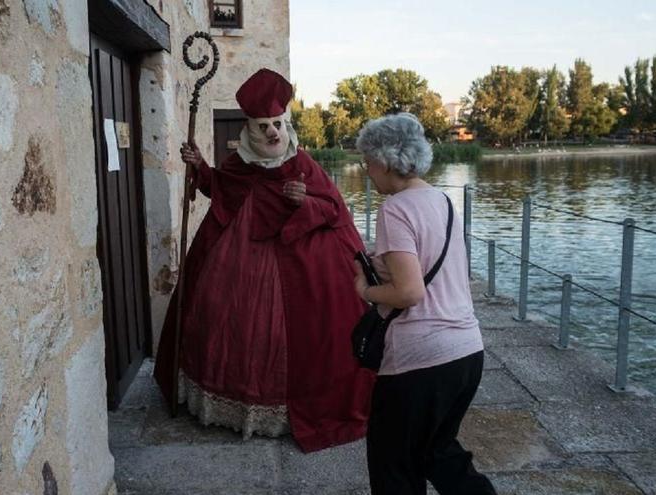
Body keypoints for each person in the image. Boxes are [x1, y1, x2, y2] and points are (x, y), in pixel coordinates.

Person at [153, 68, 374, 452]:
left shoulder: (302, 164)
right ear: (250, 130)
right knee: (228, 321)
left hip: (299, 264)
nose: (273, 133)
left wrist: (304, 200)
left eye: (277, 124)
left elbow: (334, 208)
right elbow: (221, 188)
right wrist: (201, 167)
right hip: (233, 264)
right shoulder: (239, 164)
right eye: (264, 126)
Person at [352, 113, 496, 494]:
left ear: (384, 160)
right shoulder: (443, 201)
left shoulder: (395, 209)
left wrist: (364, 290)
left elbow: (410, 293)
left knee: (393, 466)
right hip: (467, 351)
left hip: (420, 360)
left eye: (367, 163)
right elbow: (439, 270)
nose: (367, 173)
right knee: (438, 452)